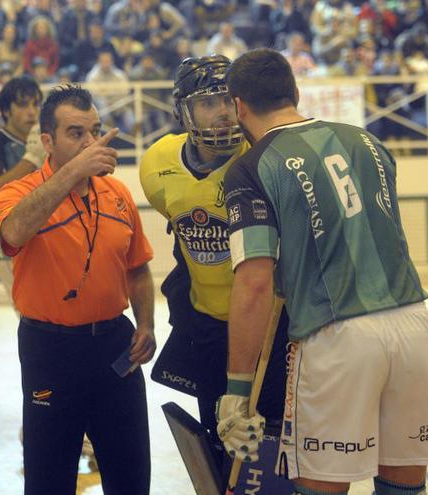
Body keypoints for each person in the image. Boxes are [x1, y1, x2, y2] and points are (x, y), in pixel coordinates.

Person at [215, 48, 428, 495]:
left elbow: (254, 283)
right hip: (415, 328)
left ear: (238, 105)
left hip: (336, 336)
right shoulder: (368, 142)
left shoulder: (250, 168)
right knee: (404, 487)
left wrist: (236, 389)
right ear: (295, 92)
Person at [0, 85, 156, 495]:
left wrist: (147, 324)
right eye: (76, 133)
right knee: (49, 478)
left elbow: (137, 268)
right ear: (47, 141)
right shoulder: (17, 192)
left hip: (114, 347)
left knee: (131, 475)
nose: (91, 142)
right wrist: (74, 171)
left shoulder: (118, 194)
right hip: (50, 350)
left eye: (95, 131)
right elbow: (13, 231)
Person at [139, 54, 289, 484]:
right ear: (183, 110)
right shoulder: (157, 164)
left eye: (228, 99)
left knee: (271, 444)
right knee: (218, 439)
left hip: (269, 329)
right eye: (208, 103)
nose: (222, 112)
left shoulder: (262, 157)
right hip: (205, 328)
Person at [0, 75, 43, 285]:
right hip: (10, 251)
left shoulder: (46, 139)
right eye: (23, 105)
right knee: (31, 316)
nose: (32, 111)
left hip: (46, 243)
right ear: (6, 111)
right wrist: (32, 159)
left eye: (36, 104)